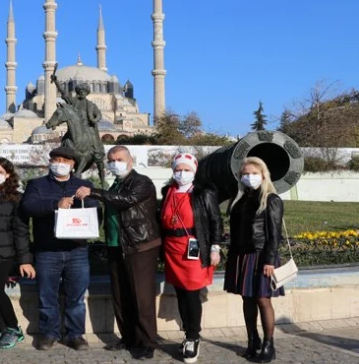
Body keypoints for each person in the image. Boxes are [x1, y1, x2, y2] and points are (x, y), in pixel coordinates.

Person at [75, 145, 161, 360]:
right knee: (120, 296)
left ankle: (147, 342)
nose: (115, 163)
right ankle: (128, 338)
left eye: (119, 159)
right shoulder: (115, 184)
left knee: (141, 298)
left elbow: (127, 201)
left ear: (130, 160)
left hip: (139, 246)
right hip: (115, 246)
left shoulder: (141, 182)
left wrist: (94, 191)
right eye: (111, 160)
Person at [20, 146, 99, 351]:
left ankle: (76, 334)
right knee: (47, 296)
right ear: (50, 162)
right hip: (47, 250)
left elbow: (95, 210)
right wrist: (55, 203)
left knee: (76, 297)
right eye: (56, 159)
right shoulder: (36, 185)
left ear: (73, 164)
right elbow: (28, 207)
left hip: (77, 250)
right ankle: (49, 333)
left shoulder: (83, 184)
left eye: (65, 160)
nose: (60, 164)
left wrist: (89, 197)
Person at [159, 153, 223, 363]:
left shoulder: (204, 192)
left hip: (194, 249)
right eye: (179, 169)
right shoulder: (168, 191)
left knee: (192, 294)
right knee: (180, 293)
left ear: (194, 171)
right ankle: (187, 333)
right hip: (172, 248)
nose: (182, 173)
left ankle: (193, 337)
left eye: (187, 169)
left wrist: (215, 247)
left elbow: (215, 220)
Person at [224, 157, 285, 363]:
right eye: (245, 174)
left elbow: (274, 234)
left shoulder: (271, 199)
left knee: (262, 299)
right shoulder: (239, 198)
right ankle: (253, 341)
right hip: (241, 254)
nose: (248, 177)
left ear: (263, 175)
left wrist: (269, 260)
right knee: (246, 298)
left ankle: (269, 345)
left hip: (261, 255)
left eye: (253, 174)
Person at [0, 157, 36, 349]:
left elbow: (21, 232)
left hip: (3, 253)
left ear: (8, 174)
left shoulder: (15, 198)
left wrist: (24, 260)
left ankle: (12, 328)